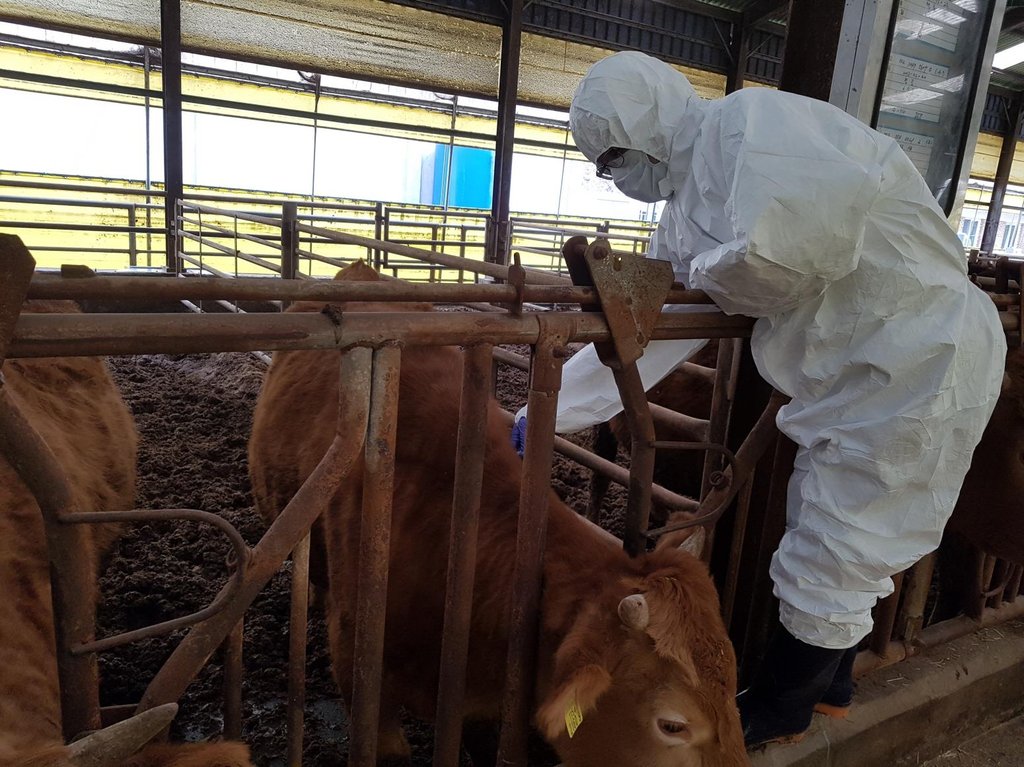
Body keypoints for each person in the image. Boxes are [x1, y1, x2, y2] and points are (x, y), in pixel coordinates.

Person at [515, 50, 1006, 748]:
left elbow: (787, 254)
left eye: (616, 156)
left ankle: (784, 703)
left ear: (651, 124)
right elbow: (655, 328)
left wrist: (711, 271)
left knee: (841, 541)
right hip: (853, 368)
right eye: (604, 166)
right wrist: (547, 411)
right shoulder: (683, 211)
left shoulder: (754, 127)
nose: (616, 177)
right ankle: (830, 685)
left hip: (917, 349)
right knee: (828, 521)